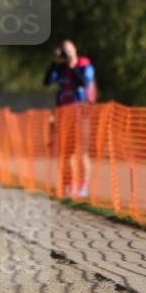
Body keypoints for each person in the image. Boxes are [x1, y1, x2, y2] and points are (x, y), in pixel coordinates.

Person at [44, 39, 96, 197]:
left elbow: (83, 82)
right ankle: (68, 184)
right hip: (63, 116)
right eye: (63, 51)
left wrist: (72, 63)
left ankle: (84, 186)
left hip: (81, 115)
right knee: (66, 153)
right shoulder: (60, 69)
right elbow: (47, 81)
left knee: (82, 152)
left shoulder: (84, 65)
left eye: (68, 50)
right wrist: (55, 62)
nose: (66, 54)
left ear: (75, 50)